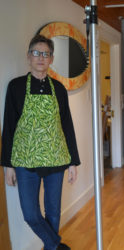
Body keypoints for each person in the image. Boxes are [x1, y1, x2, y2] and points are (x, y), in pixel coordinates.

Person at [1, 34, 80, 250]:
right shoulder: (16, 87)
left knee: (53, 211)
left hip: (56, 157)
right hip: (25, 159)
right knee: (30, 213)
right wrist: (7, 165)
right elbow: (8, 127)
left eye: (46, 54)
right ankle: (56, 245)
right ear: (28, 57)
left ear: (51, 59)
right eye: (36, 53)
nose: (41, 58)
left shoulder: (59, 89)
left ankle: (50, 248)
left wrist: (73, 162)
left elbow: (67, 126)